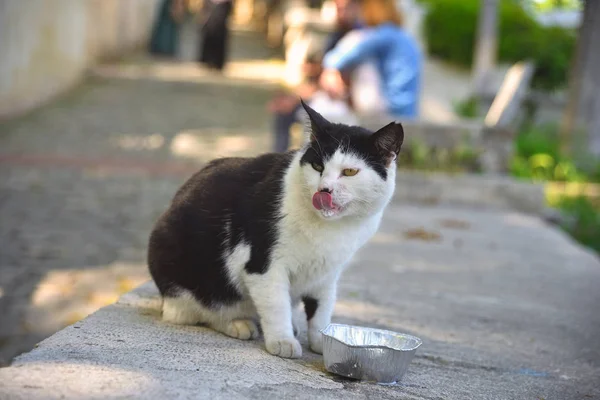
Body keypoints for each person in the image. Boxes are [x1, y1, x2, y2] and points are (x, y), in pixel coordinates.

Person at [268, 0, 361, 152]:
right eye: (338, 9)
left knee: (293, 112)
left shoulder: (358, 37)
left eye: (344, 9)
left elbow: (336, 81)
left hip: (342, 100)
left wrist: (296, 97)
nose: (340, 14)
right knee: (284, 110)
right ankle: (278, 163)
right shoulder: (338, 34)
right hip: (327, 94)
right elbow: (323, 74)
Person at [320, 0, 421, 119]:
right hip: (408, 112)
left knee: (360, 51)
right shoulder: (404, 37)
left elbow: (345, 55)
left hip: (390, 110)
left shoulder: (385, 34)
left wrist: (330, 69)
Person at [198, 0, 234, 71]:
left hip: (223, 3)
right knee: (210, 29)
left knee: (219, 30)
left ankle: (217, 61)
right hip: (211, 3)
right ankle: (209, 59)